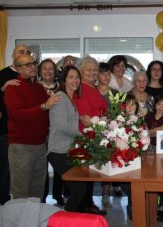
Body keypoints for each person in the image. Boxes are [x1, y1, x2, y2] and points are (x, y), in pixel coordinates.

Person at [4, 55, 61, 200]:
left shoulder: (37, 87)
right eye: (27, 64)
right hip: (21, 147)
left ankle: (36, 220)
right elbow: (19, 115)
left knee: (38, 190)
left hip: (41, 145)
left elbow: (47, 112)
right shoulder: (12, 88)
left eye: (33, 63)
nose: (32, 67)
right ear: (18, 68)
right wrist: (44, 106)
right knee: (21, 191)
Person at [0, 45, 30, 205]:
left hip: (25, 133)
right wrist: (3, 88)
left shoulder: (31, 75)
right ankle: (4, 203)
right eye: (21, 52)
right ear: (13, 55)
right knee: (6, 169)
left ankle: (23, 203)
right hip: (5, 133)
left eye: (27, 53)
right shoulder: (3, 74)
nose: (24, 55)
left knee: (24, 170)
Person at [47, 65, 88, 212]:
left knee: (85, 179)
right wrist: (83, 136)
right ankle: (66, 219)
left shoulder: (71, 99)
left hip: (70, 150)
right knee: (78, 187)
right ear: (64, 80)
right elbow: (61, 126)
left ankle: (81, 215)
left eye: (77, 77)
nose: (75, 80)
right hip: (58, 151)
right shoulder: (60, 97)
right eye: (71, 77)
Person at [74, 56, 107, 215]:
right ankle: (83, 209)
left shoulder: (92, 88)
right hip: (85, 138)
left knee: (90, 175)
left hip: (95, 138)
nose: (93, 72)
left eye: (95, 69)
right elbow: (86, 119)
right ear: (80, 71)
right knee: (84, 176)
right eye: (89, 69)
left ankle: (88, 204)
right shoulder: (81, 89)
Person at [38, 58, 65, 205]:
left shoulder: (61, 87)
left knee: (59, 166)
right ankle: (42, 196)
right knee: (42, 167)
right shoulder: (35, 87)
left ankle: (57, 195)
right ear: (40, 71)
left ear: (55, 71)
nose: (48, 71)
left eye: (51, 68)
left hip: (58, 133)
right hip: (42, 132)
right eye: (44, 68)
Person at [96, 62, 122, 209]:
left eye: (107, 74)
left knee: (111, 162)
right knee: (100, 165)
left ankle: (111, 190)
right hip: (95, 133)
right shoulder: (91, 91)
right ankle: (103, 194)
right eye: (102, 73)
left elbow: (119, 114)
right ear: (97, 75)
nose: (105, 76)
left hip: (112, 132)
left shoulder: (115, 93)